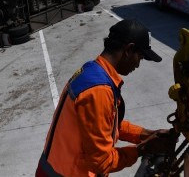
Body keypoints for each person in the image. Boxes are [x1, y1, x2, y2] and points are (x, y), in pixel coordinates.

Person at [36, 19, 175, 176]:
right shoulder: (99, 91)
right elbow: (101, 162)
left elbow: (104, 125)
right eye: (140, 57)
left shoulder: (93, 70)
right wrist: (143, 149)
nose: (138, 65)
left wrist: (146, 134)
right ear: (129, 50)